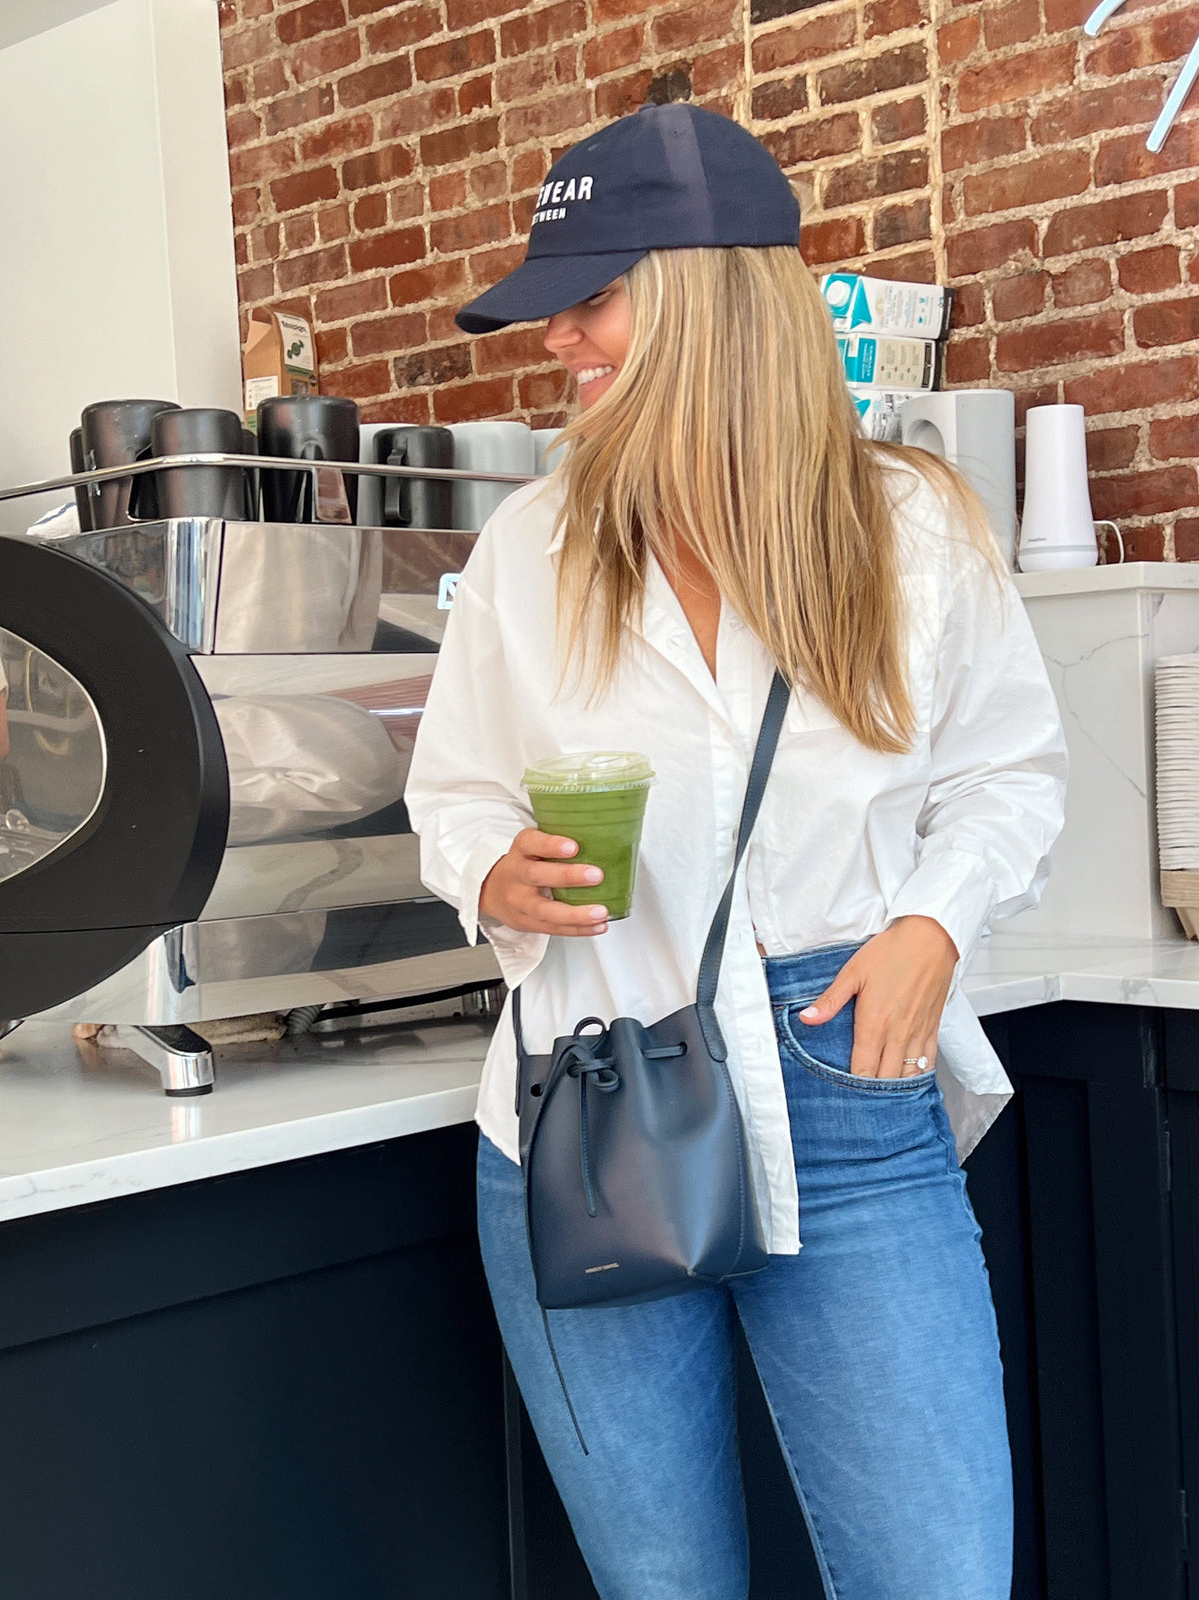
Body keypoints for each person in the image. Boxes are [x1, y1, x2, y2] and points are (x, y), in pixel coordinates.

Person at [405, 103, 1067, 1600]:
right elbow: (450, 795)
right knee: (662, 1585)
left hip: (851, 1091)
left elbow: (1009, 777)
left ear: (708, 297)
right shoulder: (527, 550)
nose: (558, 342)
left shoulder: (906, 533)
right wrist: (488, 871)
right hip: (587, 1104)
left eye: (592, 300)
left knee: (938, 1577)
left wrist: (935, 927)